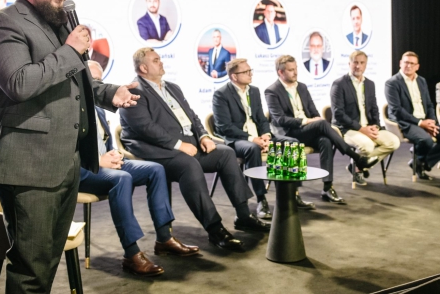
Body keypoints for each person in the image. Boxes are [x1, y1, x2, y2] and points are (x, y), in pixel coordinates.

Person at [0, 0, 140, 293]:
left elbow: (77, 81)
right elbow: (20, 83)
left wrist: (110, 93)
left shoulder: (60, 23)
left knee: (47, 264)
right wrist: (70, 51)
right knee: (31, 271)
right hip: (29, 168)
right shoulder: (4, 24)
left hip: (66, 163)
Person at [119, 47, 270, 252]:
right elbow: (144, 128)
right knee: (189, 165)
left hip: (190, 145)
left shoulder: (172, 87)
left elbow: (192, 116)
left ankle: (243, 216)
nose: (161, 62)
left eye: (160, 59)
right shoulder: (133, 92)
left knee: (226, 153)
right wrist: (179, 145)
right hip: (159, 151)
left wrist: (204, 136)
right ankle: (215, 229)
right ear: (143, 68)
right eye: (155, 60)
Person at [79, 61, 198, 277]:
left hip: (105, 164)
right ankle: (131, 254)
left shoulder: (98, 107)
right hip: (82, 170)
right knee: (122, 178)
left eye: (100, 80)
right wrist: (98, 160)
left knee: (155, 169)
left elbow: (104, 142)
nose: (98, 85)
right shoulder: (70, 109)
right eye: (92, 80)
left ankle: (164, 239)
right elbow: (63, 151)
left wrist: (114, 154)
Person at [265, 55, 380, 205]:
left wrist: (314, 120)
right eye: (291, 70)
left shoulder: (302, 87)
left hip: (305, 131)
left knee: (325, 140)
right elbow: (280, 119)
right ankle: (357, 158)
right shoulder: (272, 91)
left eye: (296, 69)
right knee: (322, 124)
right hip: (287, 132)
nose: (295, 72)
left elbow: (314, 112)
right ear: (280, 72)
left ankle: (327, 188)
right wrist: (307, 121)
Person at [212, 58, 286, 219]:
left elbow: (261, 119)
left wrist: (266, 135)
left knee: (290, 143)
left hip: (258, 136)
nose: (250, 74)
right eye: (246, 72)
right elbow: (224, 127)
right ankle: (261, 199)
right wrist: (253, 139)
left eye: (250, 70)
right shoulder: (221, 94)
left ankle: (290, 194)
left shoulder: (254, 91)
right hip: (236, 139)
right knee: (252, 148)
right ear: (234, 76)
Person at [330, 51, 401, 186]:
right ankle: (360, 167)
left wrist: (376, 126)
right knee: (367, 146)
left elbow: (374, 108)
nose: (358, 66)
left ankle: (358, 166)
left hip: (367, 127)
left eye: (362, 63)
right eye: (355, 62)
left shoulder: (370, 84)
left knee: (394, 142)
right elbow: (338, 113)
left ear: (366, 65)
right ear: (349, 64)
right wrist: (361, 129)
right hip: (347, 129)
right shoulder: (339, 84)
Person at [384, 51, 440, 180]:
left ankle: (422, 162)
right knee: (425, 140)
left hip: (424, 121)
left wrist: (431, 121)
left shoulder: (421, 81)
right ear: (400, 63)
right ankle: (420, 161)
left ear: (417, 66)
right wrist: (420, 123)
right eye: (406, 62)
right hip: (405, 122)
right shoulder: (392, 83)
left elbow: (429, 104)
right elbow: (396, 110)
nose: (409, 66)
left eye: (412, 63)